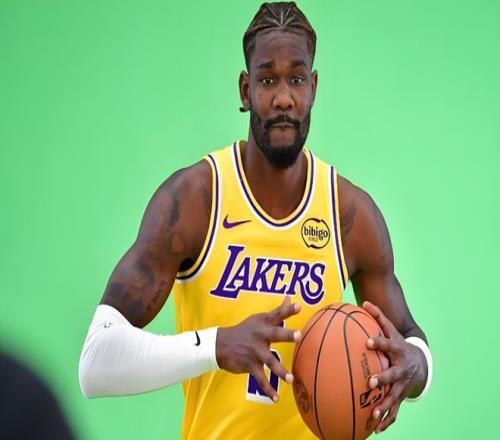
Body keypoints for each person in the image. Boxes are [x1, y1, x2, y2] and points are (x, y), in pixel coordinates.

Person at [79, 2, 433, 438]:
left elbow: (411, 341)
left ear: (313, 88)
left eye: (296, 80)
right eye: (267, 80)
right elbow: (96, 361)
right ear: (245, 90)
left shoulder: (349, 214)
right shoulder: (196, 200)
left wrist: (415, 365)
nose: (283, 97)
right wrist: (215, 346)